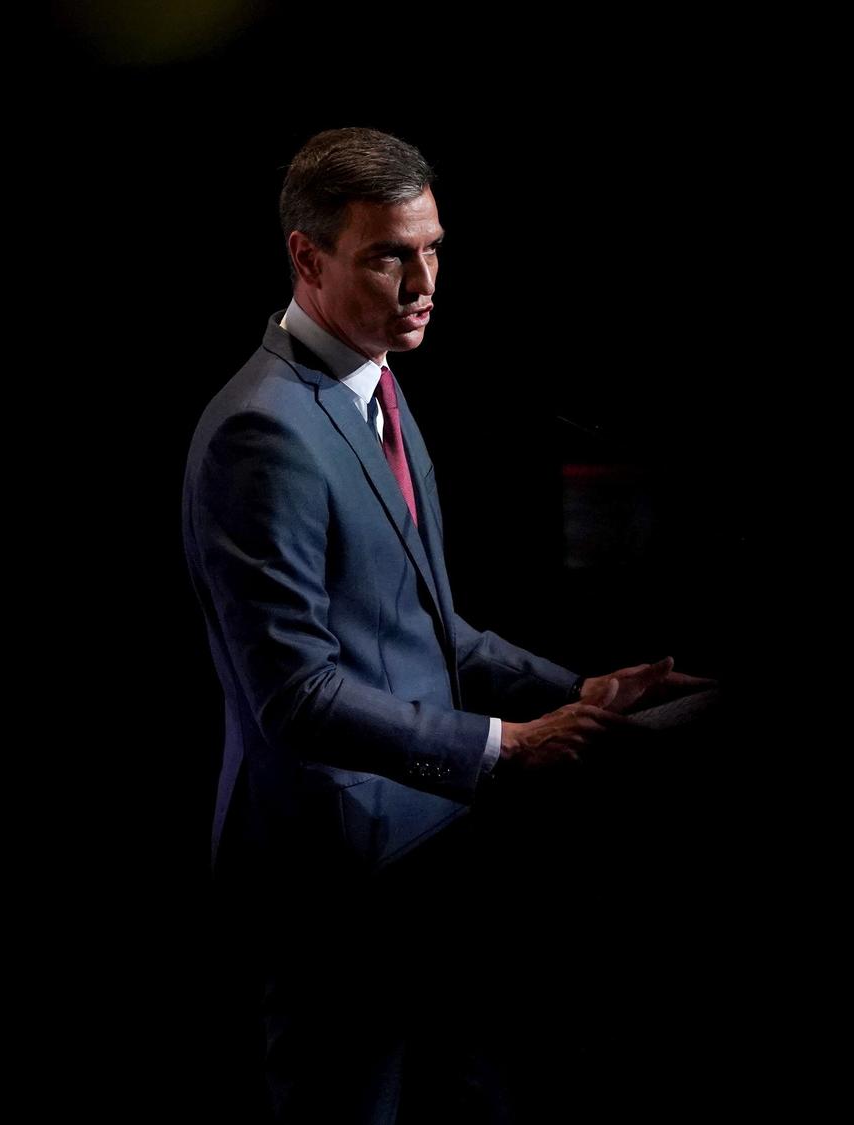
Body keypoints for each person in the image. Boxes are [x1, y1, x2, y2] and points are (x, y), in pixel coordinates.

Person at [181, 126, 711, 1123]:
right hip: (331, 873)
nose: (423, 280)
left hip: (431, 849)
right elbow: (294, 696)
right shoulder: (263, 431)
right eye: (388, 254)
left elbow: (432, 633)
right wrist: (506, 746)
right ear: (308, 256)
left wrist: (579, 691)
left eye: (432, 249)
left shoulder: (377, 382)